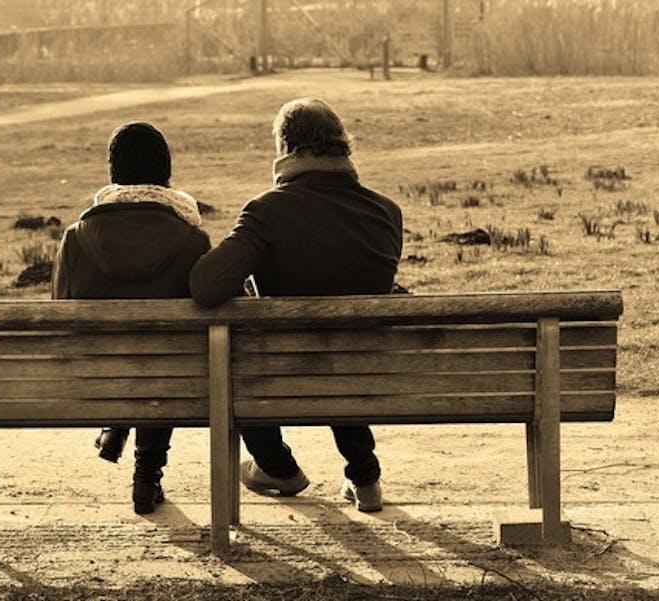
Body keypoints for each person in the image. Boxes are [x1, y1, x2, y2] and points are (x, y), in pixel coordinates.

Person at [189, 98, 403, 512]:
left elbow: (205, 285)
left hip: (281, 374)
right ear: (342, 146)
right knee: (342, 339)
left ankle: (278, 467)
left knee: (236, 353)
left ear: (288, 148)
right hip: (366, 373)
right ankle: (365, 477)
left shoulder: (268, 210)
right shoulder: (387, 212)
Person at [51, 121, 211, 514]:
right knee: (163, 358)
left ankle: (117, 423)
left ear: (113, 173)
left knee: (131, 356)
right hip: (171, 377)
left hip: (96, 376)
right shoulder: (193, 238)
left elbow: (59, 309)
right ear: (166, 173)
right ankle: (147, 476)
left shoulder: (76, 237)